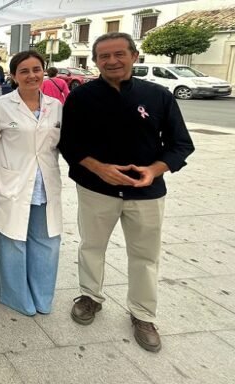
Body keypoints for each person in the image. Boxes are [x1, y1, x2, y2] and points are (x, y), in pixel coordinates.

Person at [59, 32, 194, 352]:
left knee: (145, 256)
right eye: (104, 56)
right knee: (91, 246)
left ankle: (143, 314)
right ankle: (91, 297)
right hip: (96, 190)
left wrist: (154, 170)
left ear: (134, 55)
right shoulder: (81, 97)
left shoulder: (158, 96)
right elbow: (69, 143)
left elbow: (180, 145)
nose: (112, 61)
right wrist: (98, 168)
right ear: (95, 62)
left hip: (146, 193)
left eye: (119, 54)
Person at [0, 50, 63, 317]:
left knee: (46, 240)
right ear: (14, 76)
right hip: (13, 181)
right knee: (12, 239)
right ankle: (14, 295)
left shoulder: (56, 106)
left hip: (45, 183)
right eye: (24, 71)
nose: (31, 75)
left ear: (44, 71)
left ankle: (42, 295)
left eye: (36, 69)